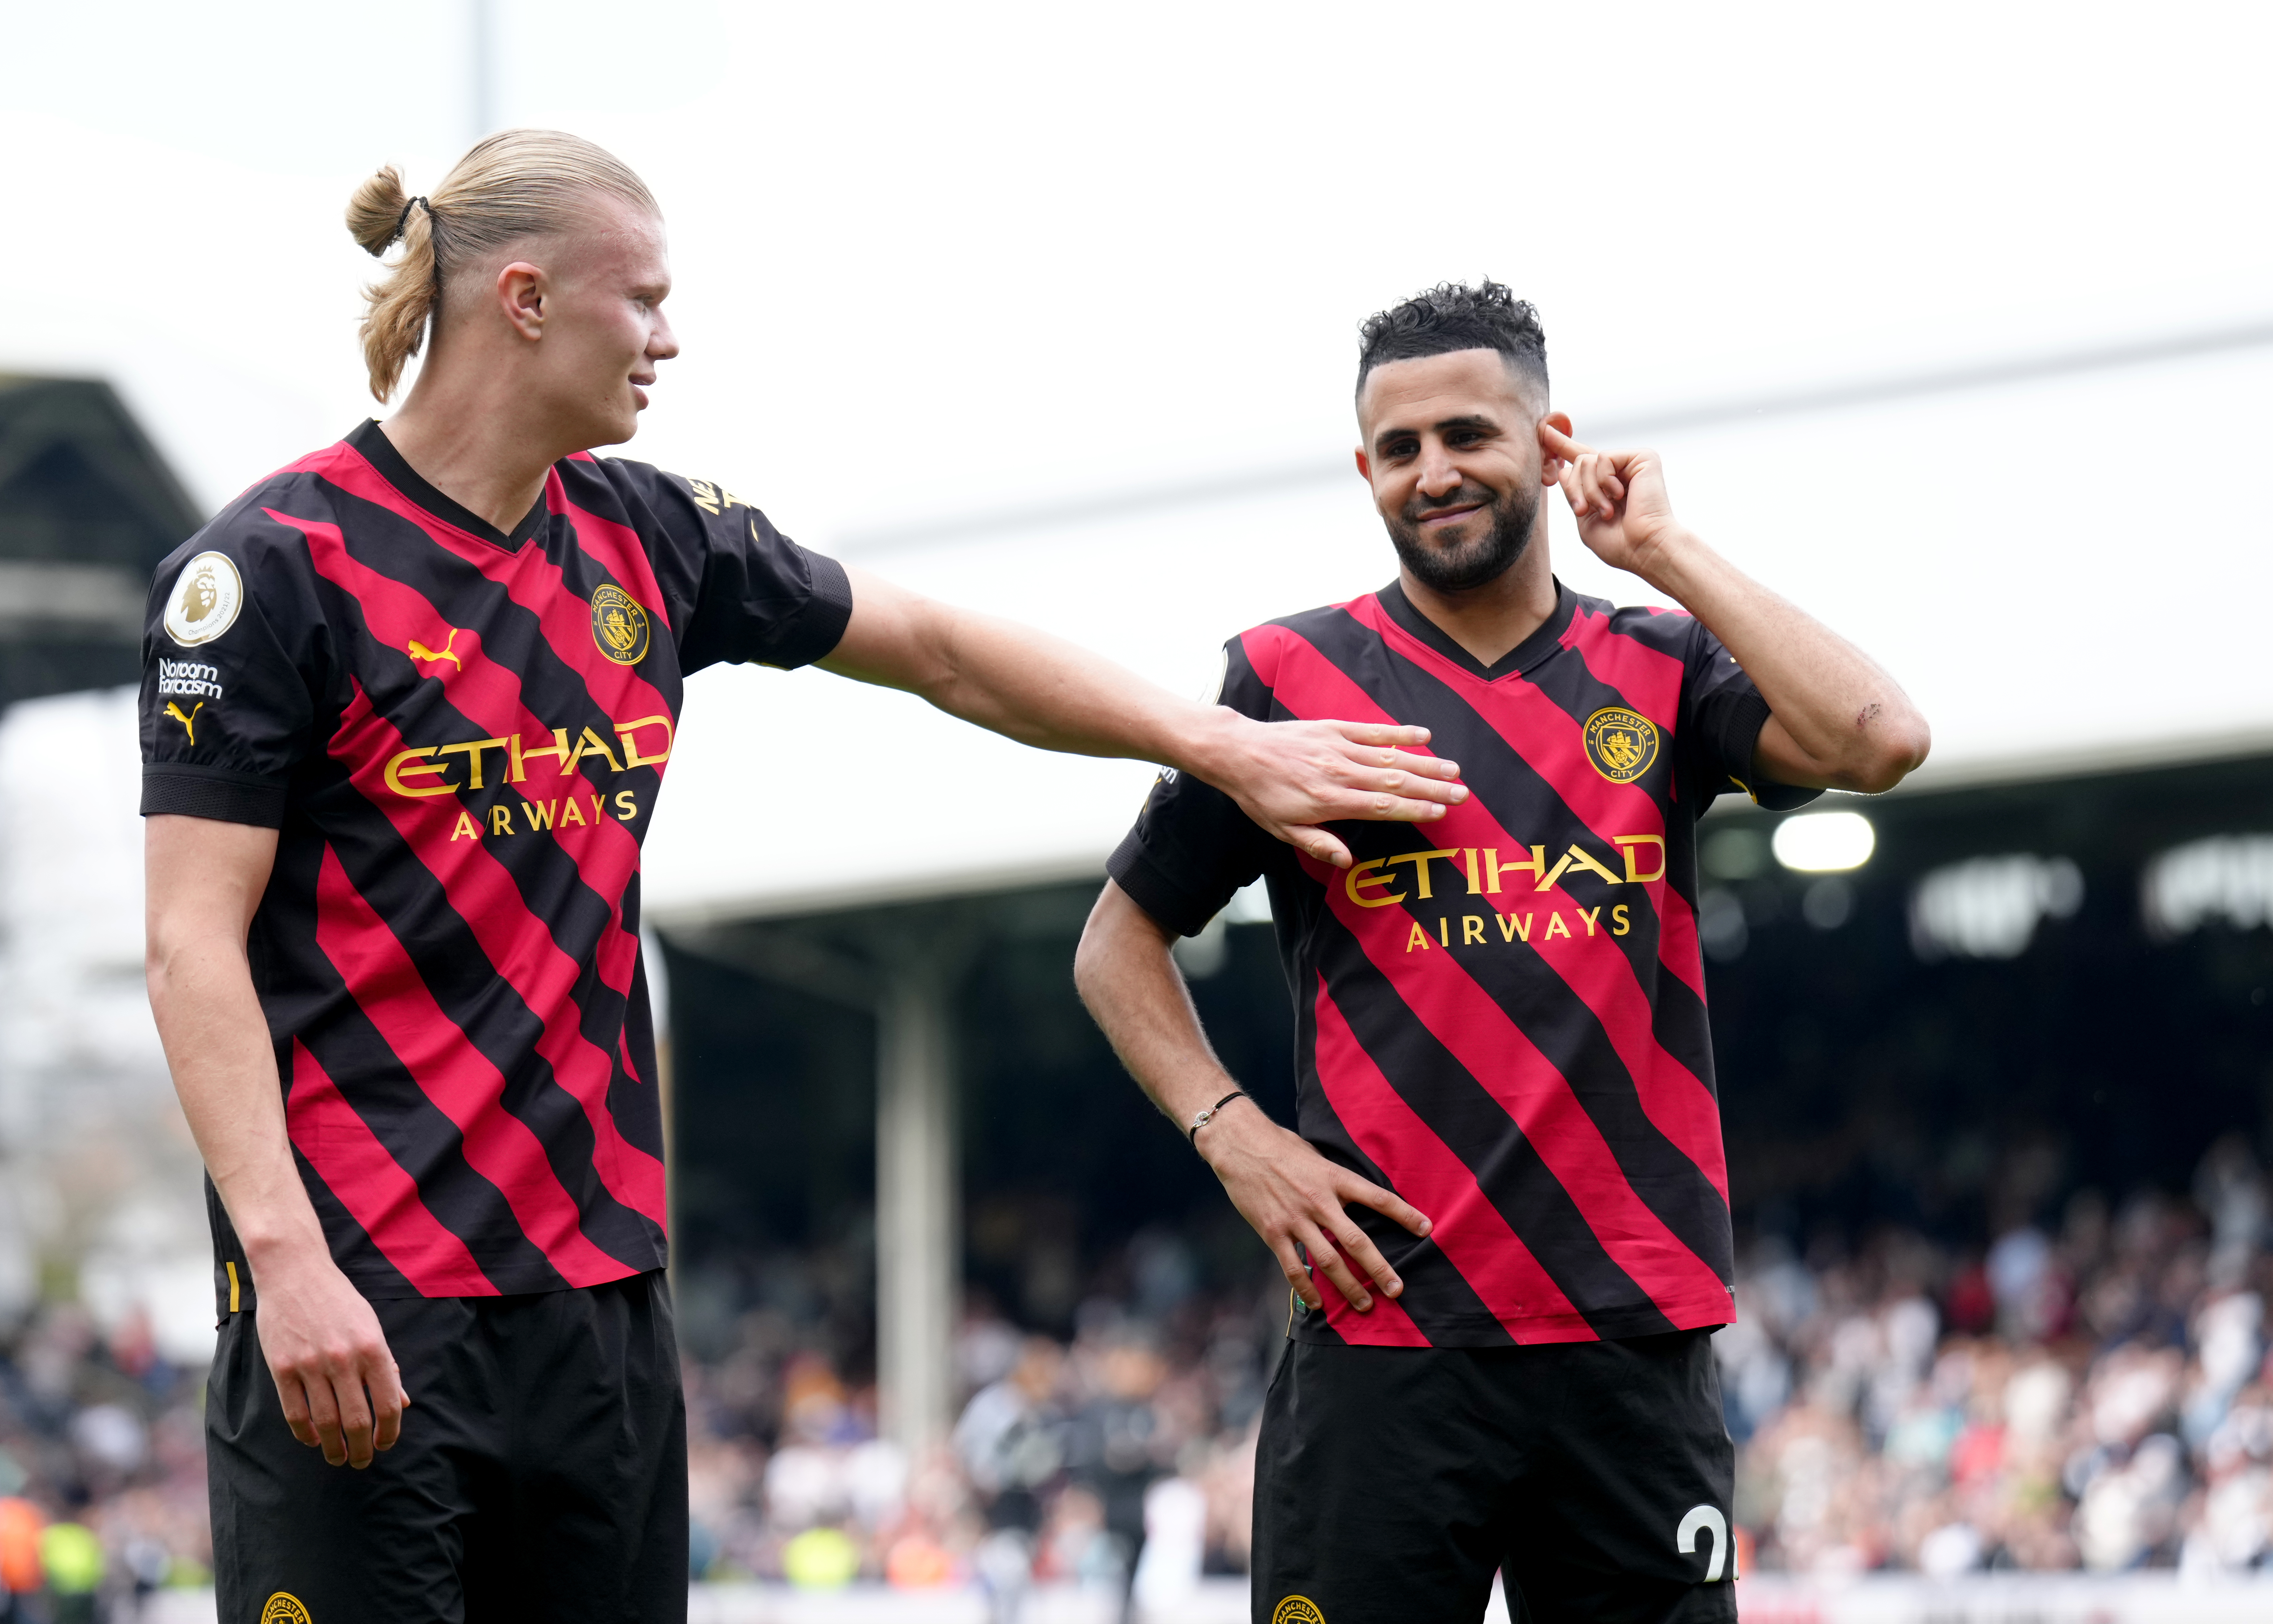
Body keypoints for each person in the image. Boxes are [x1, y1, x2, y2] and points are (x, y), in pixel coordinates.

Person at [140, 130, 1468, 1624]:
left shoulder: (652, 535)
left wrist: (1218, 742)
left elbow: (943, 653)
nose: (668, 335)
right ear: (522, 300)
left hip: (599, 1306)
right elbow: (193, 947)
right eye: (640, 299)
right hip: (358, 1293)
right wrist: (283, 1258)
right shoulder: (272, 569)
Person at [1074, 281, 1929, 1623]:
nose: (1434, 473)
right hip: (1383, 1327)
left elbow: (1877, 737)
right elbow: (1115, 945)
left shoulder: (1658, 662)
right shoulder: (1287, 679)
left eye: (1468, 434)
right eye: (1398, 450)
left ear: (1550, 441)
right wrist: (1233, 1133)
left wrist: (1667, 552)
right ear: (1363, 470)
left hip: (1627, 1331)